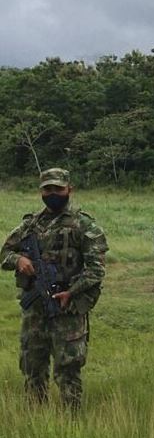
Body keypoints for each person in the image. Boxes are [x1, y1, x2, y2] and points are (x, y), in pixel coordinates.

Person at [1, 168, 108, 411]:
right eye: (47, 189)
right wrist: (18, 260)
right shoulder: (30, 225)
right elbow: (4, 252)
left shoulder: (83, 225)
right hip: (35, 309)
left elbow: (96, 270)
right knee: (32, 366)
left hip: (67, 308)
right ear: (41, 191)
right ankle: (36, 417)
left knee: (68, 369)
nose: (53, 194)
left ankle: (71, 421)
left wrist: (72, 291)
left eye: (58, 189)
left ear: (69, 189)